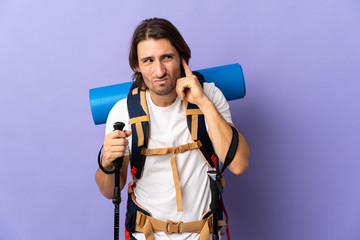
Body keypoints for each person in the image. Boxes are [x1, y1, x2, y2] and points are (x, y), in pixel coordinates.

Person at [95, 18, 250, 240]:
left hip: (205, 235)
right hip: (146, 234)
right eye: (148, 60)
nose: (159, 71)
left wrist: (203, 102)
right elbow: (110, 191)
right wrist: (106, 162)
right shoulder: (123, 112)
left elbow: (239, 164)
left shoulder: (210, 95)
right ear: (136, 66)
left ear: (182, 58)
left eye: (167, 57)